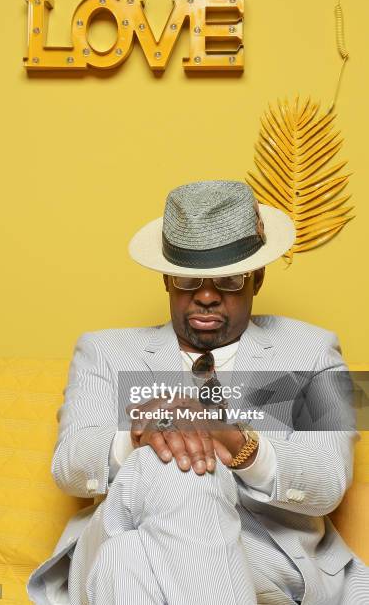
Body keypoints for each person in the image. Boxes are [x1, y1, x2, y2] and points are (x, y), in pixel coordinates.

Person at [27, 181, 369, 605]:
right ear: (167, 279)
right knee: (172, 462)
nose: (206, 296)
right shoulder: (104, 350)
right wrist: (138, 436)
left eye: (228, 278)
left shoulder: (315, 350)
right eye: (189, 279)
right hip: (117, 526)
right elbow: (68, 464)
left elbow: (329, 479)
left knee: (125, 561)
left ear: (257, 278)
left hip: (261, 562)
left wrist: (241, 445)